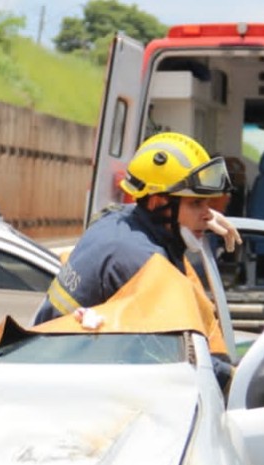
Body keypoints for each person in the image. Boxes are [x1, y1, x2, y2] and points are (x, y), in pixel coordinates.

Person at [32, 132, 241, 377]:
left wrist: (199, 215)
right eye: (195, 203)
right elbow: (183, 357)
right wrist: (236, 382)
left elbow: (133, 207)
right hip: (69, 378)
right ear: (157, 202)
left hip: (53, 361)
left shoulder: (115, 220)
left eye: (207, 203)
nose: (207, 214)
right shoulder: (140, 260)